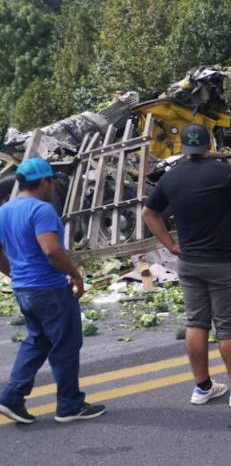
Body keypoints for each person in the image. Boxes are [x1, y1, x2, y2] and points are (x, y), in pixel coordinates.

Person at [142, 124, 231, 409]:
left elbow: (149, 213)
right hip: (223, 262)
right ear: (208, 145)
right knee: (227, 327)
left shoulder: (170, 178)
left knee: (196, 323)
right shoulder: (224, 173)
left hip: (189, 263)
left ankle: (202, 387)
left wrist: (171, 246)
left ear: (183, 147)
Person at [0, 158, 106, 424]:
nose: (54, 186)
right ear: (45, 181)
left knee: (38, 341)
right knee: (66, 344)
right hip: (49, 288)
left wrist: (13, 273)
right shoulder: (42, 210)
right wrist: (74, 273)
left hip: (24, 288)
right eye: (52, 180)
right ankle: (69, 405)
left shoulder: (5, 211)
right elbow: (50, 249)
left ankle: (11, 397)